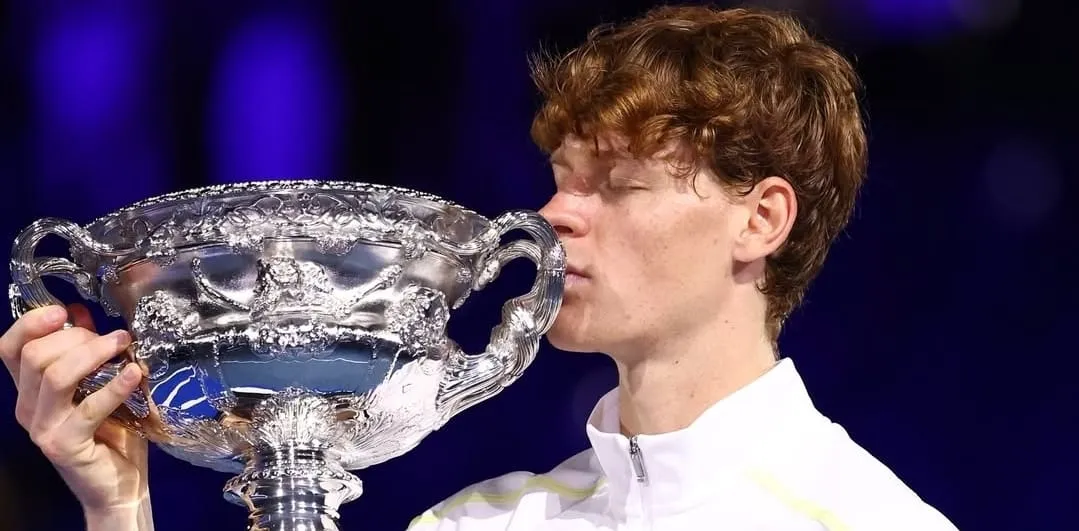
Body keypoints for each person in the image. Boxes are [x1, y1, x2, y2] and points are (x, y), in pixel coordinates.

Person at [0, 5, 957, 531]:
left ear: (760, 219)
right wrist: (118, 506)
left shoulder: (868, 521)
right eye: (561, 180)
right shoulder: (484, 523)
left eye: (618, 185)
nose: (555, 217)